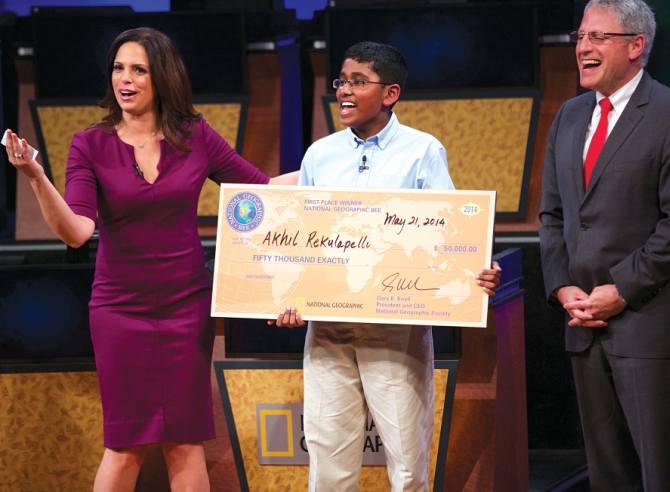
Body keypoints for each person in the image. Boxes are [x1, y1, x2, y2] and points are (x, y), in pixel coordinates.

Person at [6, 27, 296, 492]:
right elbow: (77, 232)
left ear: (161, 77)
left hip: (186, 308)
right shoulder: (89, 144)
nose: (126, 79)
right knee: (125, 447)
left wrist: (331, 170)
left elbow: (260, 189)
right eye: (119, 68)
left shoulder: (195, 136)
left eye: (138, 69)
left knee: (185, 443)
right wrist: (36, 177)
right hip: (120, 311)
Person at [276, 41, 501, 491]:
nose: (344, 90)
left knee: (406, 460)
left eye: (358, 82)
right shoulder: (320, 154)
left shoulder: (422, 151)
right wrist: (285, 295)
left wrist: (475, 270)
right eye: (341, 80)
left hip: (396, 328)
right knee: (327, 460)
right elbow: (300, 238)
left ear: (390, 93)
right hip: (328, 329)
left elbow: (450, 234)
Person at [539, 0, 670, 490]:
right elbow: (552, 218)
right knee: (609, 477)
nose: (583, 47)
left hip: (648, 328)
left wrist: (622, 289)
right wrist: (562, 286)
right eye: (580, 37)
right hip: (583, 328)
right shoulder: (570, 116)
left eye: (598, 37)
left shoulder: (665, 113)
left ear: (636, 46)